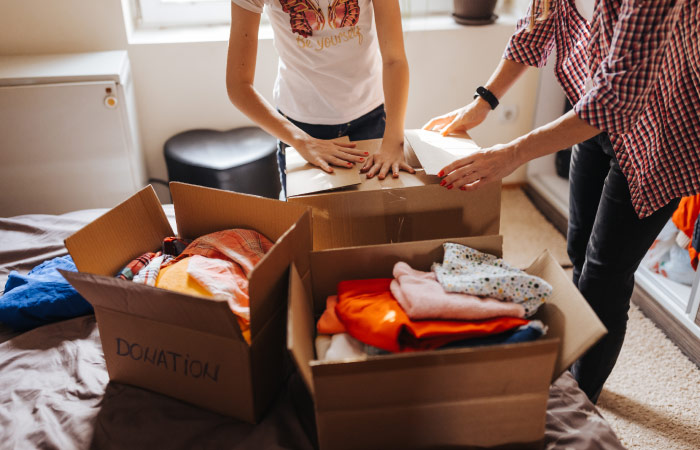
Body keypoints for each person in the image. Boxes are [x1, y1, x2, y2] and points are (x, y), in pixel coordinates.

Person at [424, 0, 699, 403]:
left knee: (604, 276)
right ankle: (575, 363)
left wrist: (512, 153)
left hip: (663, 128)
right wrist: (482, 102)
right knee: (579, 249)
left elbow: (615, 100)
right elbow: (537, 24)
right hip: (589, 109)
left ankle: (580, 402)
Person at [226, 0, 413, 198]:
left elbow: (395, 60)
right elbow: (238, 87)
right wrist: (301, 141)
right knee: (310, 223)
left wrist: (393, 140)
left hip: (370, 118)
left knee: (371, 220)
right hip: (299, 127)